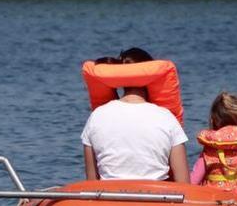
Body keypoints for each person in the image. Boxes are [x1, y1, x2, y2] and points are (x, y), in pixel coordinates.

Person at [81, 47, 190, 182]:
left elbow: (91, 181)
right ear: (152, 80)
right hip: (157, 199)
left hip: (109, 199)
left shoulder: (96, 117)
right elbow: (183, 183)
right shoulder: (167, 118)